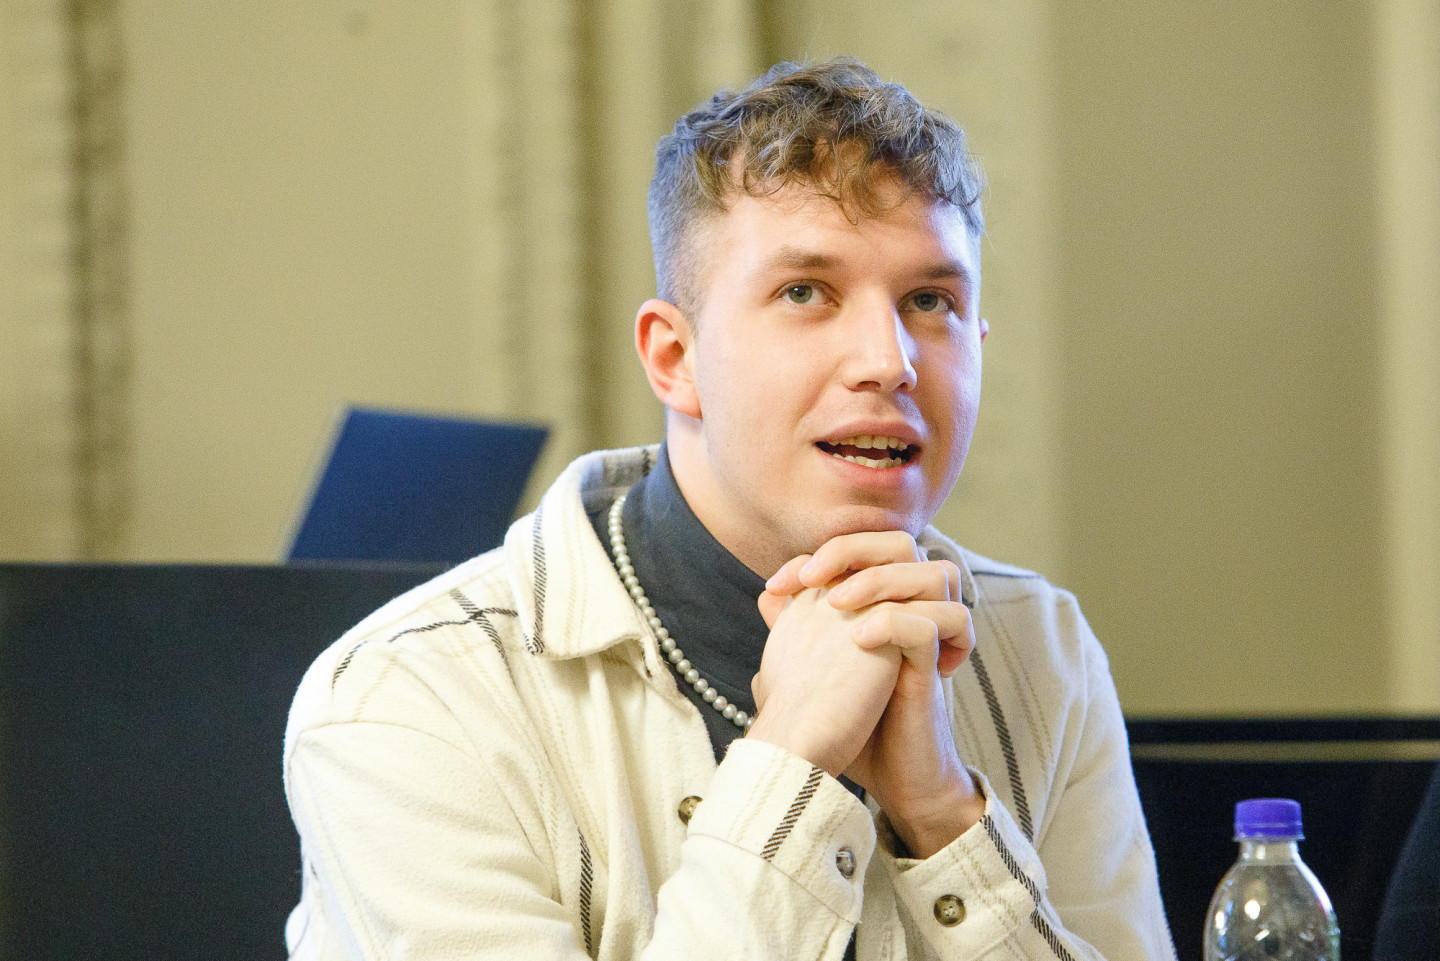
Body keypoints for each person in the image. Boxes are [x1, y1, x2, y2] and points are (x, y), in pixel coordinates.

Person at [283, 58, 1177, 961]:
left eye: (929, 301)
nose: (889, 360)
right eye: (805, 292)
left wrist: (944, 817)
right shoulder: (404, 702)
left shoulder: (1043, 649)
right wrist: (788, 763)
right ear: (674, 359)